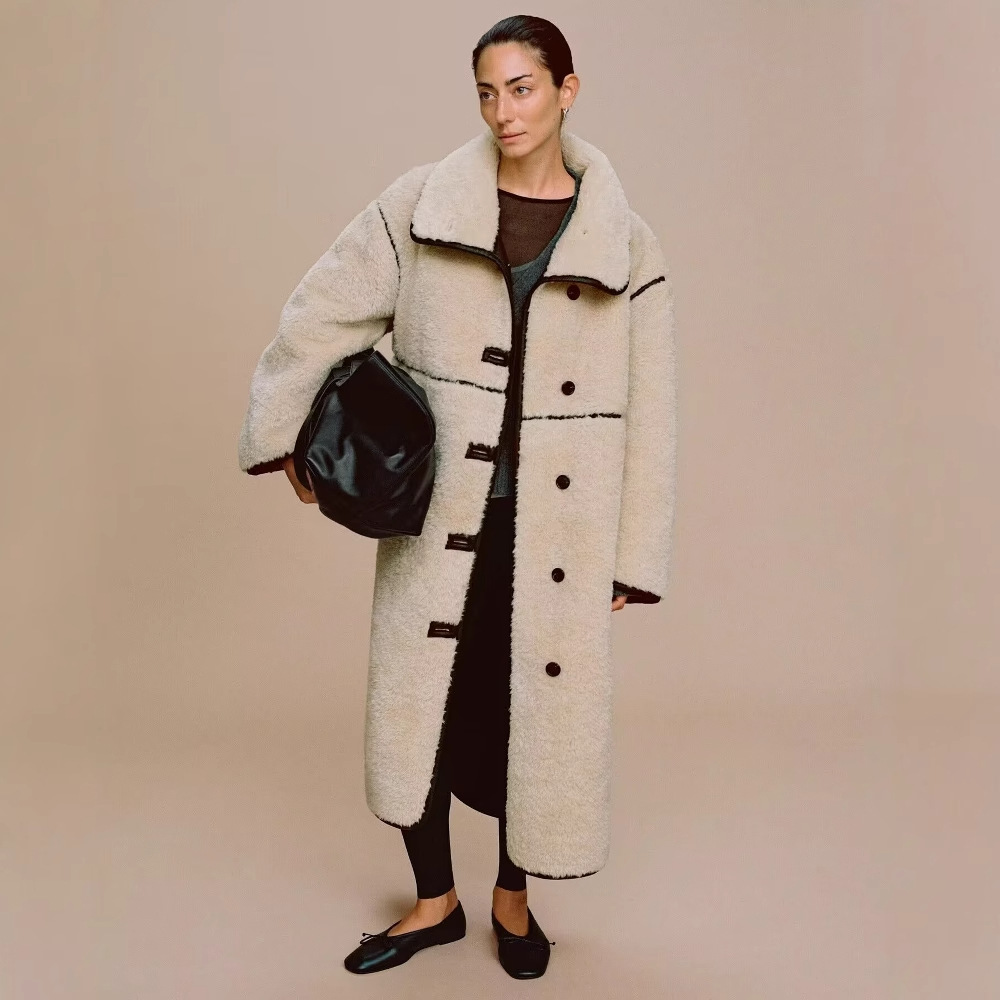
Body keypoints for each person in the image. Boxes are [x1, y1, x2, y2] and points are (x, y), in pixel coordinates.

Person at [237, 14, 677, 981]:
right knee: (420, 704)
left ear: (567, 89)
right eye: (487, 91)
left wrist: (633, 555)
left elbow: (652, 412)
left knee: (532, 717)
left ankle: (511, 901)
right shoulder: (421, 205)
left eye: (522, 87)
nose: (503, 111)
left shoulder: (625, 243)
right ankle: (434, 902)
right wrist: (287, 435)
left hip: (557, 529)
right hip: (439, 511)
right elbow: (322, 312)